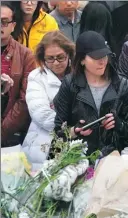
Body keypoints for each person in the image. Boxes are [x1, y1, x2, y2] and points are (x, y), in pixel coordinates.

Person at [53, 31, 128, 156]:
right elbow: (59, 131)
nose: (102, 62)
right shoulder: (70, 84)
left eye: (105, 56)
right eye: (96, 58)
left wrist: (118, 124)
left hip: (112, 157)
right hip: (77, 158)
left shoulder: (122, 85)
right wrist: (75, 130)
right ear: (82, 60)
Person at [22, 31, 74, 170]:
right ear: (43, 58)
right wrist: (70, 129)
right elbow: (40, 113)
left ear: (69, 54)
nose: (56, 63)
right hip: (44, 141)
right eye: (50, 59)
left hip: (75, 141)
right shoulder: (37, 77)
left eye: (60, 57)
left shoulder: (78, 75)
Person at [1, 2, 35, 147]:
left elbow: (25, 100)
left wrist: (3, 131)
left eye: (4, 22)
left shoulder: (26, 55)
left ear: (13, 25)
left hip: (10, 132)